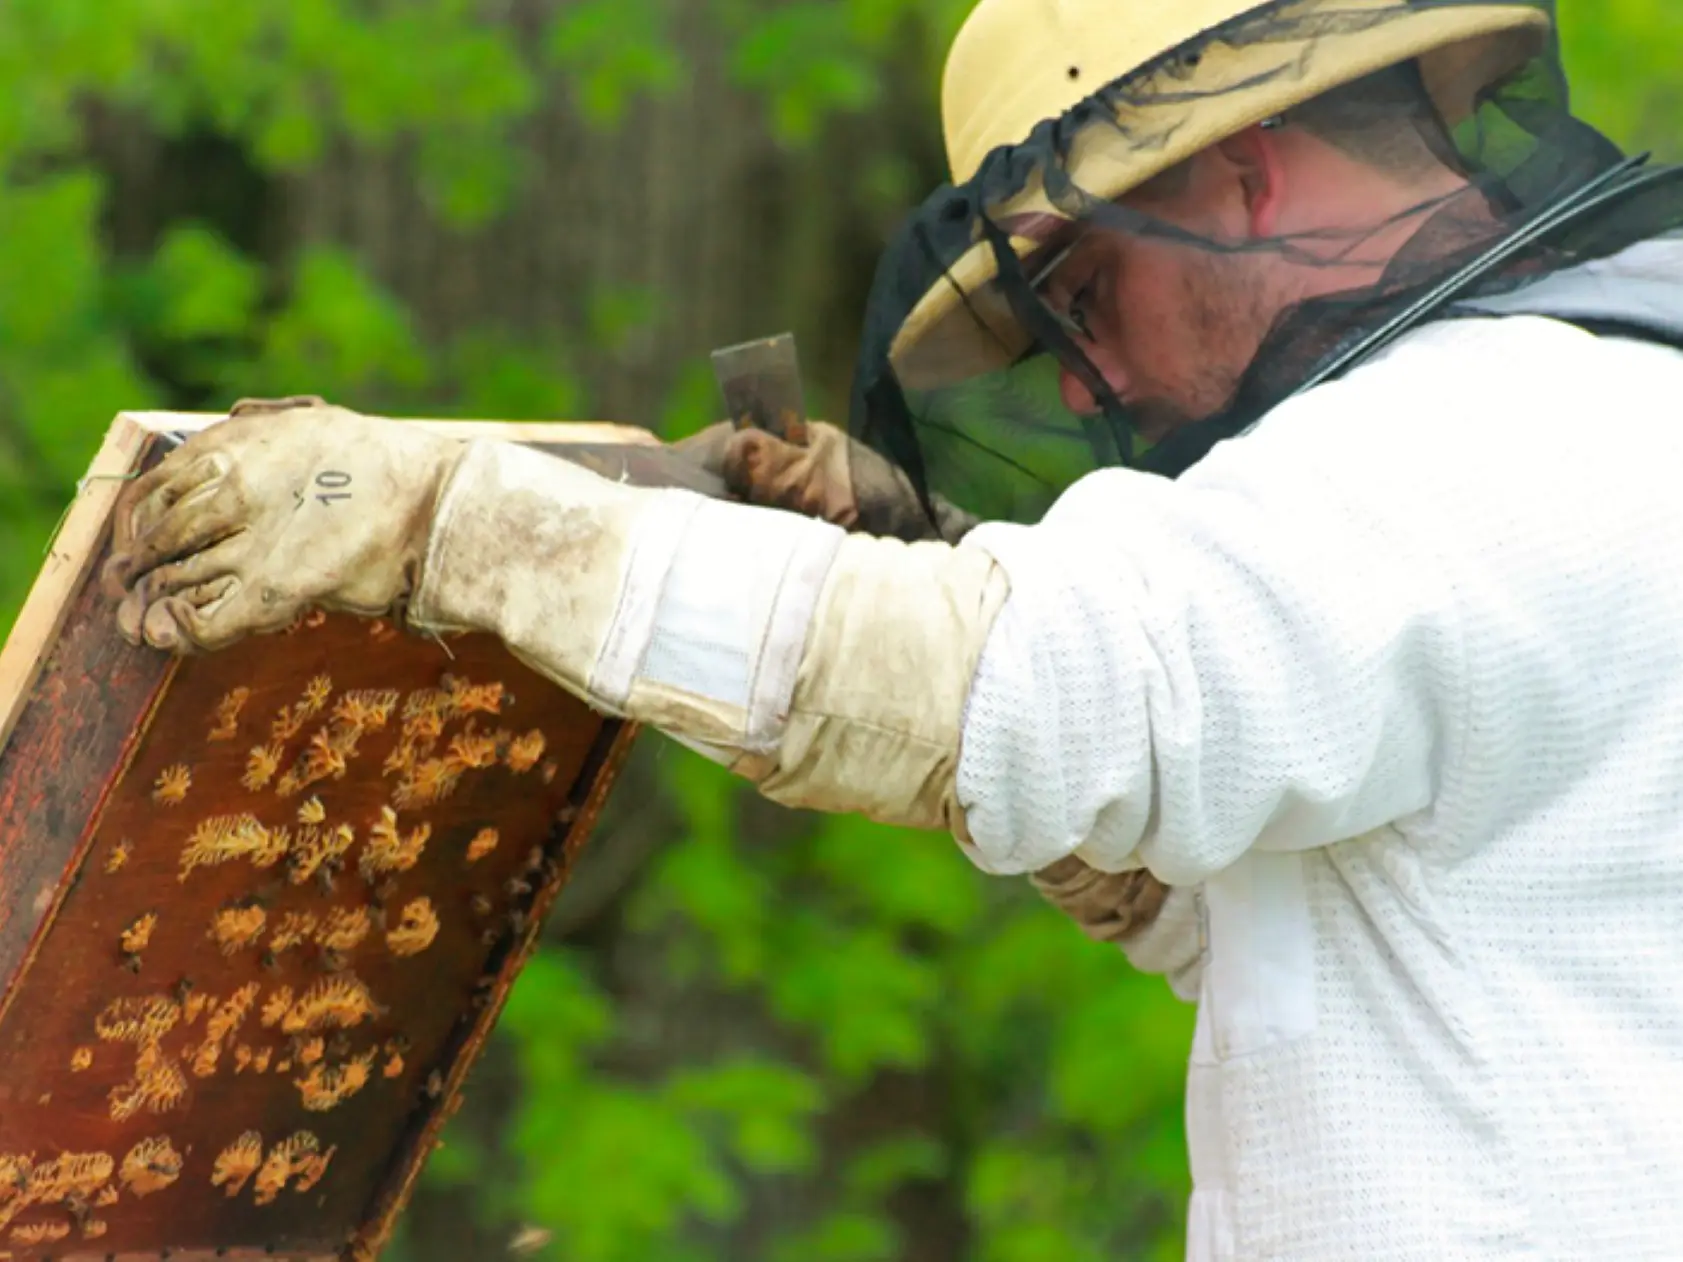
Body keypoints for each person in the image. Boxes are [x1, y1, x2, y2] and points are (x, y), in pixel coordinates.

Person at [101, 0, 1683, 1255]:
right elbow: (1333, 923)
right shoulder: (1594, 418)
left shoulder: (1475, 443)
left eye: (1076, 284)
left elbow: (1049, 695)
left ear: (1236, 174)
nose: (1078, 377)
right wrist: (919, 561)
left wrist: (451, 521)